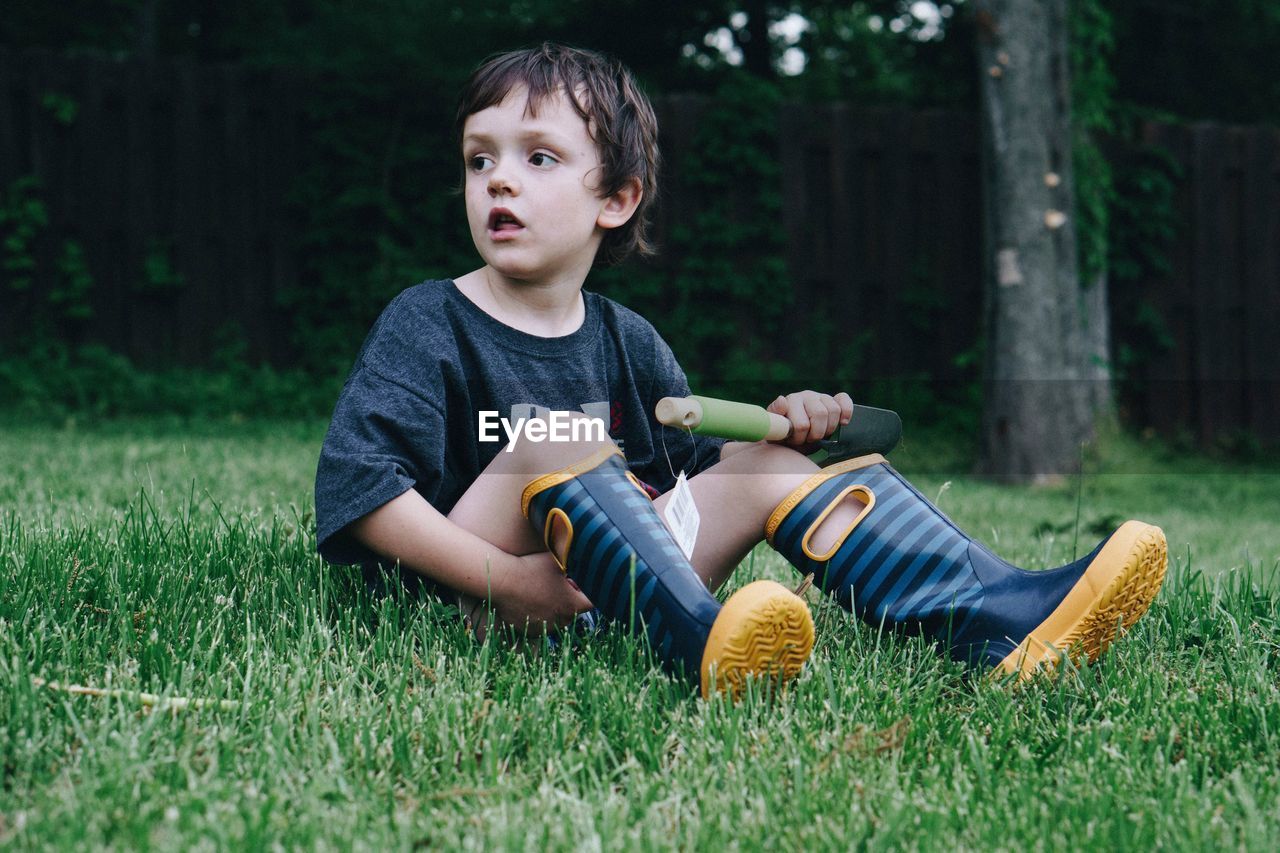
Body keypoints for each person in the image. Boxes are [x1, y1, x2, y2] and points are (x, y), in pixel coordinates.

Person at [315, 43, 1168, 698]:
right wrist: (510, 580)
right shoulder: (430, 321)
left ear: (618, 198)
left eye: (538, 157)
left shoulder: (629, 340)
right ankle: (705, 640)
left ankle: (1001, 621)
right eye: (480, 158)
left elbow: (697, 488)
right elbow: (361, 494)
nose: (499, 178)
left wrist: (781, 429)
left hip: (608, 603)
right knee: (551, 441)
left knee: (767, 464)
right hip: (480, 603)